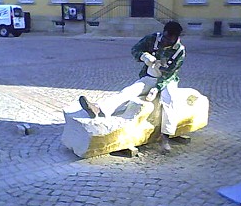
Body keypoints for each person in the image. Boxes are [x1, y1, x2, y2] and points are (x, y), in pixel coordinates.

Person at [79, 21, 186, 152]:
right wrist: (144, 56)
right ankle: (99, 109)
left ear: (176, 38)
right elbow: (135, 49)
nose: (165, 41)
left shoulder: (180, 51)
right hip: (150, 75)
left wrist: (157, 88)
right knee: (130, 90)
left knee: (169, 99)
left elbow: (170, 73)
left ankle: (165, 137)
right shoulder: (153, 39)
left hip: (167, 80)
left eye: (169, 39)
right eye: (164, 37)